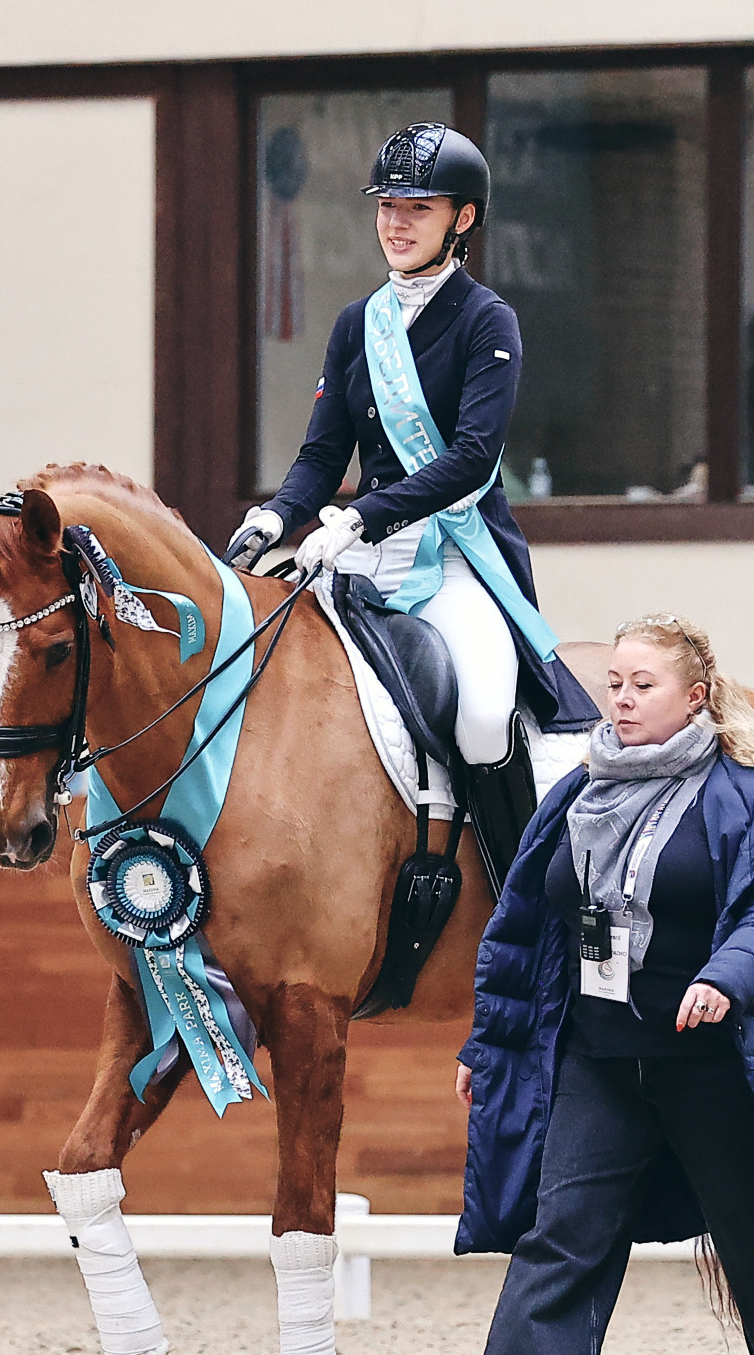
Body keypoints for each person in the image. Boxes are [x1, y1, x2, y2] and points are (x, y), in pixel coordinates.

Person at [446, 614, 754, 1355]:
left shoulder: (748, 794)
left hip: (713, 1054)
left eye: (643, 685)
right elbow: (522, 928)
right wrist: (491, 1045)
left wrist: (724, 977)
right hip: (600, 1056)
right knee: (563, 1232)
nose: (622, 699)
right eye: (617, 684)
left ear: (694, 698)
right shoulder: (579, 790)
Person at [227, 123, 599, 889]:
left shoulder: (486, 321)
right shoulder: (355, 325)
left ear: (462, 219)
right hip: (359, 558)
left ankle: (524, 900)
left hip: (456, 556)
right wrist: (277, 515)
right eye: (387, 206)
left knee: (486, 714)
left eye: (418, 207)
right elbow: (325, 456)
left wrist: (361, 516)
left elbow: (470, 460)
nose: (395, 223)